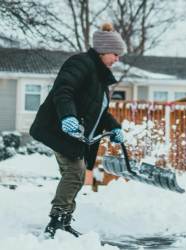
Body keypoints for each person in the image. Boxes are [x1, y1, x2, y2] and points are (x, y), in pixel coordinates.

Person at [29, 21, 125, 238]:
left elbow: (99, 112)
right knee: (74, 173)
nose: (117, 60)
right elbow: (63, 90)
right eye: (115, 54)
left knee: (76, 175)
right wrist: (68, 116)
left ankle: (63, 221)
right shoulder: (81, 63)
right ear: (102, 50)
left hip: (76, 135)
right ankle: (56, 222)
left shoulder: (99, 78)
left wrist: (115, 128)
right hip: (60, 129)